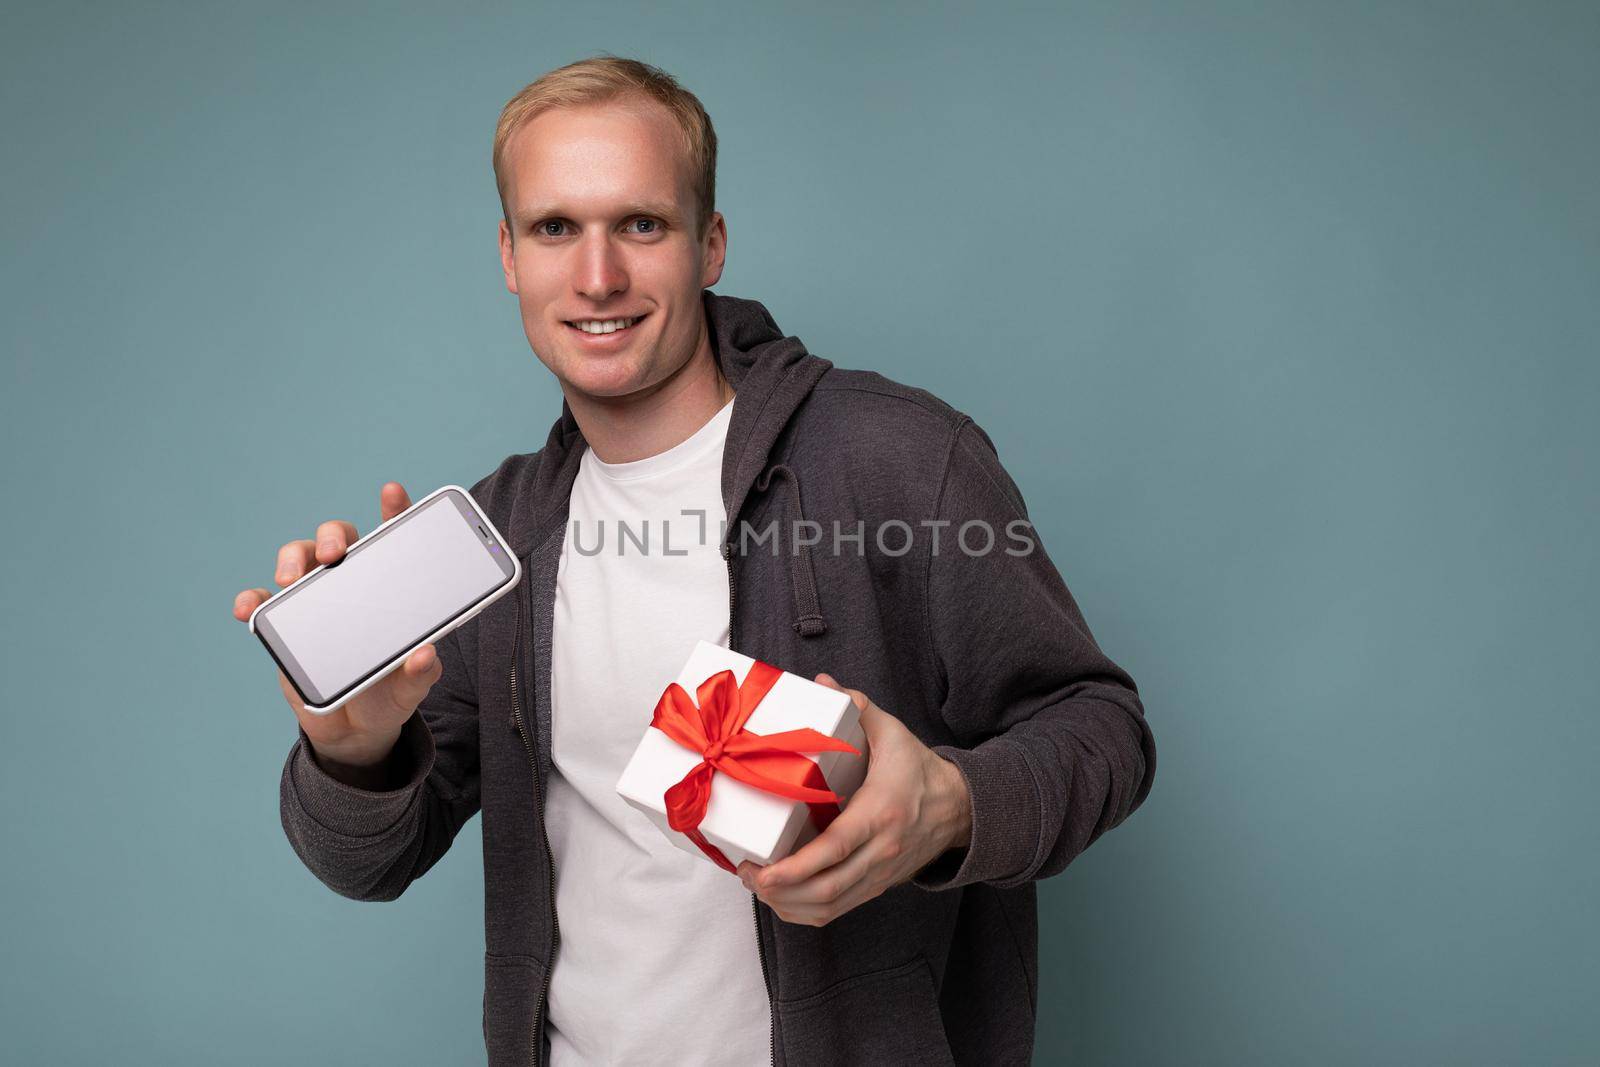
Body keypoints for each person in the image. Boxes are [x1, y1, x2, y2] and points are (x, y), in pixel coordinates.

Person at [231, 55, 1156, 1066]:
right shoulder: (499, 537)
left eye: (641, 223)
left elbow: (1101, 729)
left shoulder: (898, 457)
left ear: (709, 243)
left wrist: (948, 804)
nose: (597, 277)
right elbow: (367, 862)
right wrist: (350, 751)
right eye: (555, 228)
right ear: (508, 254)